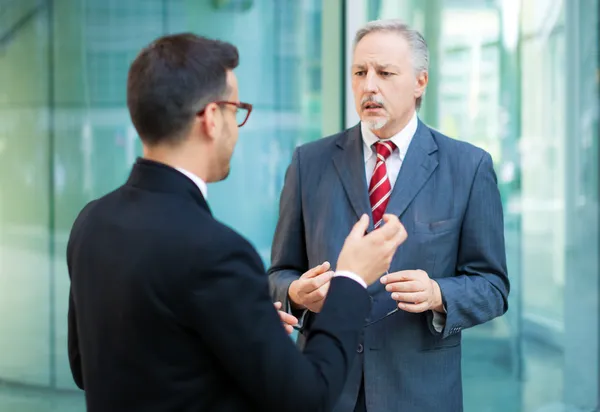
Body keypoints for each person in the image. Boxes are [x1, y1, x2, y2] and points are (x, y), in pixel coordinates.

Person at [66, 33, 407, 412]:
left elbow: (88, 367)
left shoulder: (91, 223)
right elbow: (309, 396)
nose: (236, 125)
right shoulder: (216, 251)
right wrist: (351, 279)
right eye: (236, 109)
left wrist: (247, 334)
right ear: (212, 118)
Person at [269, 19, 510, 412]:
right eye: (360, 72)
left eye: (385, 73)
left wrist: (438, 294)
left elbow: (493, 287)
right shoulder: (308, 162)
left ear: (420, 82)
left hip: (419, 393)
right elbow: (278, 274)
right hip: (326, 389)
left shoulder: (468, 167)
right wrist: (295, 294)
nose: (369, 86)